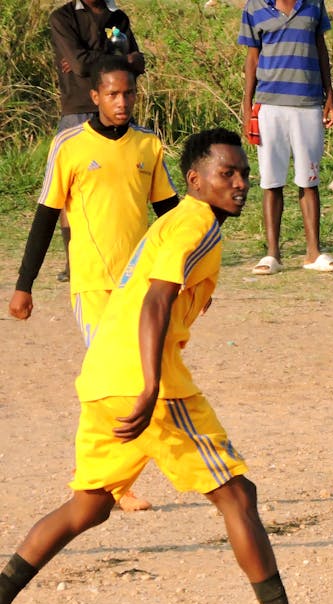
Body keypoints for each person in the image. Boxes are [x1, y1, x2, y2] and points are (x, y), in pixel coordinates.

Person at [0, 129, 333, 604]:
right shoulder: (195, 224)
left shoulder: (178, 221)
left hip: (102, 377)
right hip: (148, 385)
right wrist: (149, 387)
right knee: (237, 495)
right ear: (195, 180)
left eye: (243, 173)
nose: (239, 184)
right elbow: (155, 302)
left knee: (88, 506)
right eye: (226, 174)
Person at [9, 56, 177, 514]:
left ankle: (112, 480)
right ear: (96, 96)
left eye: (129, 94)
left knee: (142, 379)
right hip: (93, 285)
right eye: (113, 94)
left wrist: (195, 271)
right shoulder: (70, 145)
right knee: (114, 380)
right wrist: (24, 284)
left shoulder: (148, 145)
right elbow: (45, 217)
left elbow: (171, 215)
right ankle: (105, 483)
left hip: (139, 286)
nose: (122, 102)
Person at [239, 0, 333, 275]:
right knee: (271, 181)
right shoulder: (255, 6)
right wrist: (247, 107)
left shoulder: (314, 3)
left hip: (308, 103)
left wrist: (329, 95)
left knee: (310, 180)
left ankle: (313, 253)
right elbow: (252, 58)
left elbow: (321, 48)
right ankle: (272, 254)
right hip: (269, 105)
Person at [49, 0, 146, 284]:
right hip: (78, 108)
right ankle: (74, 260)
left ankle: (122, 253)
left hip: (114, 110)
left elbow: (136, 64)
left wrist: (93, 60)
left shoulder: (118, 16)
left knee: (119, 182)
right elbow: (81, 65)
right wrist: (119, 59)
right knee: (69, 191)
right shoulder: (63, 17)